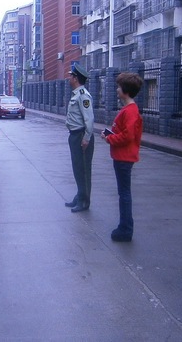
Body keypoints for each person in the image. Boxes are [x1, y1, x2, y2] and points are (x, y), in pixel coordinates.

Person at [101, 72, 144, 242]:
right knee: (123, 193)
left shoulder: (131, 111)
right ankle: (124, 226)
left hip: (124, 158)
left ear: (125, 90)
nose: (117, 90)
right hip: (121, 156)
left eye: (119, 87)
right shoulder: (128, 110)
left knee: (124, 194)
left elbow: (128, 136)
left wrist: (109, 138)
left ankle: (125, 229)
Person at [65, 65, 95, 213]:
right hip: (74, 135)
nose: (69, 77)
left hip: (81, 136)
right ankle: (79, 195)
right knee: (77, 168)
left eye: (71, 75)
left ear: (76, 78)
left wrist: (86, 138)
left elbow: (89, 119)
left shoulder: (83, 95)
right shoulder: (76, 94)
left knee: (83, 170)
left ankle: (84, 201)